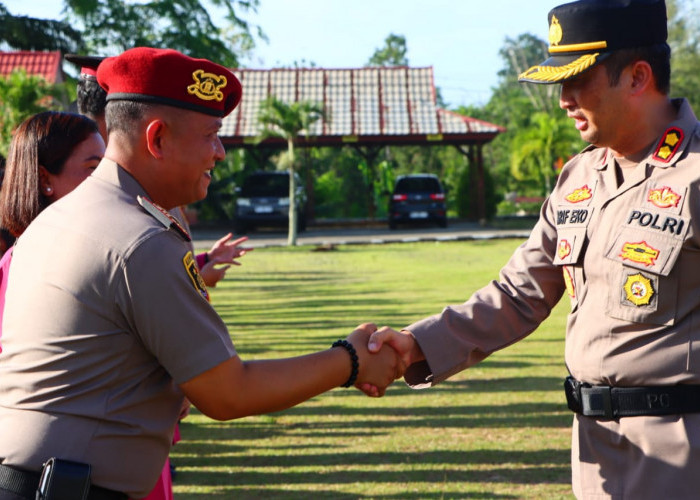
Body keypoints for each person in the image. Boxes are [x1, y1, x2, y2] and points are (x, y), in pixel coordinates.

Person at [0, 47, 401, 500]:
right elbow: (228, 393)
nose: (221, 152)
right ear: (157, 139)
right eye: (211, 135)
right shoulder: (140, 240)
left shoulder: (62, 217)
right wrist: (349, 359)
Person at [367, 0, 700, 498]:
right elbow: (518, 292)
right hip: (594, 448)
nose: (563, 99)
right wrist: (418, 344)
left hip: (681, 451)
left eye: (578, 81)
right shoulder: (580, 177)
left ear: (637, 77)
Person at [65, 53, 251, 289]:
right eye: (209, 135)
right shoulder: (138, 234)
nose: (220, 153)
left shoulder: (156, 189)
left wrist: (204, 261)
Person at [0, 111, 105, 342]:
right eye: (93, 168)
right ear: (45, 180)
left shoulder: (99, 249)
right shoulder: (16, 266)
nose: (109, 180)